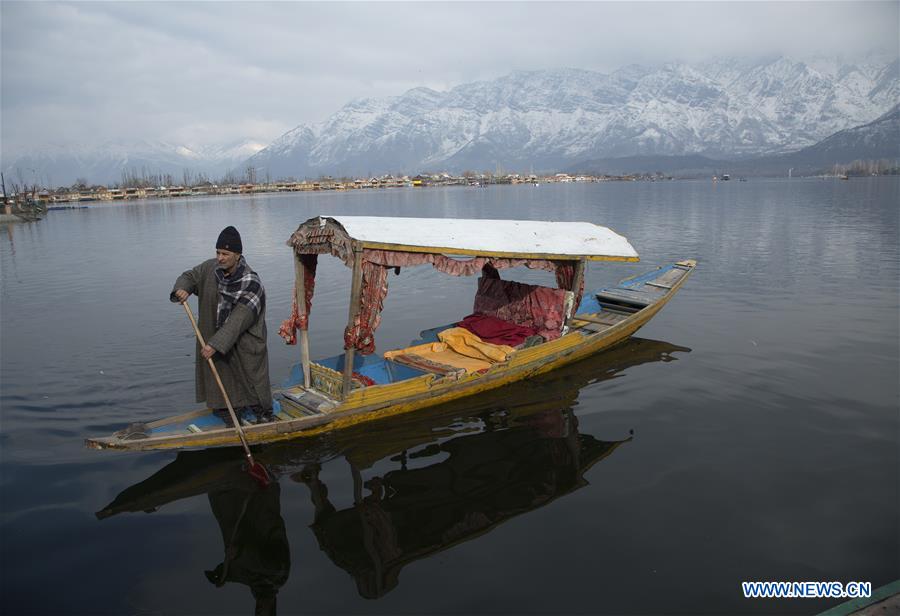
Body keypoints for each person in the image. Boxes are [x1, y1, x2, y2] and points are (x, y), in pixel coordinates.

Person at [171, 226, 273, 425]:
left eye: (225, 254)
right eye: (218, 252)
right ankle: (228, 410)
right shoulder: (210, 269)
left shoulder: (252, 283)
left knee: (251, 379)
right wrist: (182, 289)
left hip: (244, 342)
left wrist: (214, 344)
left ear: (237, 255)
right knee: (221, 375)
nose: (220, 258)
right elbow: (190, 276)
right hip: (216, 336)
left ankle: (263, 413)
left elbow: (238, 320)